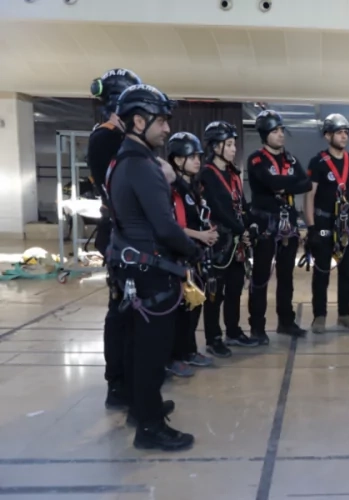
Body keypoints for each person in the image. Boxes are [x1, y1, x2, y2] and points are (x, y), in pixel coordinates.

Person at [107, 84, 200, 450]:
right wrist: (193, 252)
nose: (166, 128)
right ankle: (150, 427)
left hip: (132, 267)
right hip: (151, 272)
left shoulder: (121, 161)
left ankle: (141, 406)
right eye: (161, 121)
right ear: (138, 121)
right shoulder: (143, 167)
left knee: (137, 346)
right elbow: (165, 227)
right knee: (151, 353)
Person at [87, 68, 142, 411]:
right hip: (119, 233)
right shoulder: (106, 137)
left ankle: (132, 377)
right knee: (120, 310)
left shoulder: (116, 137)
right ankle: (117, 382)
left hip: (128, 231)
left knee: (132, 310)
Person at [246, 110, 311, 341]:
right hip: (265, 222)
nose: (281, 134)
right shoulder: (256, 159)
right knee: (261, 276)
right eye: (275, 131)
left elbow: (306, 184)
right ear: (265, 134)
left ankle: (286, 321)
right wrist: (289, 183)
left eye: (282, 130)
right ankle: (257, 327)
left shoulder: (291, 159)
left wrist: (283, 186)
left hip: (288, 223)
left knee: (286, 276)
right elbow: (271, 181)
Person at [304, 114, 349, 333]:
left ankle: (345, 314)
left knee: (347, 273)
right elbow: (309, 196)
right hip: (324, 223)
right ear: (327, 136)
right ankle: (319, 316)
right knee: (322, 272)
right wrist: (311, 227)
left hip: (348, 224)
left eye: (346, 133)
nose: (344, 136)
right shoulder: (318, 162)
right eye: (339, 132)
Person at [200, 121, 256, 356]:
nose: (234, 149)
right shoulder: (207, 174)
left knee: (235, 288)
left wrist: (250, 224)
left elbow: (240, 203)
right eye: (230, 144)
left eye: (234, 144)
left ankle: (233, 331)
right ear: (216, 147)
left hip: (236, 241)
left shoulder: (233, 173)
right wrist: (241, 229)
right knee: (215, 292)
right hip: (219, 241)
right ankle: (213, 337)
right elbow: (219, 208)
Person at [166, 132, 219, 377]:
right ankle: (174, 356)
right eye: (192, 156)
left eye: (199, 156)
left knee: (194, 306)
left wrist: (207, 233)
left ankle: (188, 350)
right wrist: (201, 235)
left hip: (195, 254)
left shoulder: (192, 188)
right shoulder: (173, 189)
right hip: (180, 256)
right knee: (181, 309)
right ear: (178, 160)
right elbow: (173, 225)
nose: (198, 161)